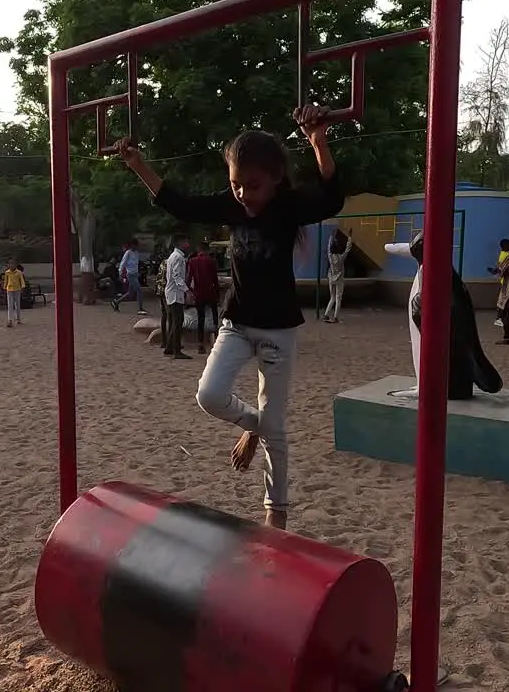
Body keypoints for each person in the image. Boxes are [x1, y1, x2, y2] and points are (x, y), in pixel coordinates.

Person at [113, 104, 341, 530]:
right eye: (236, 185)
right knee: (209, 396)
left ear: (274, 179)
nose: (242, 194)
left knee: (277, 431)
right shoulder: (231, 207)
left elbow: (331, 197)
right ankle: (254, 426)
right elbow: (179, 203)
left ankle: (276, 513)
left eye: (252, 185)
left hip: (279, 331)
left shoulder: (289, 207)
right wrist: (137, 163)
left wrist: (318, 140)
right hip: (236, 323)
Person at [187, 241, 220, 353]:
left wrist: (189, 292)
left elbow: (189, 278)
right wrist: (218, 293)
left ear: (198, 249)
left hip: (198, 293)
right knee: (215, 316)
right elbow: (215, 279)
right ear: (207, 250)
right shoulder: (212, 261)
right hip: (211, 293)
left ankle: (200, 344)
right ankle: (216, 339)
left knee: (201, 318)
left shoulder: (192, 261)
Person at [163, 235, 191, 359]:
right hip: (175, 293)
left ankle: (170, 347)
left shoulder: (174, 256)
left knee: (174, 321)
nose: (188, 244)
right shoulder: (178, 257)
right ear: (180, 242)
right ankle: (176, 350)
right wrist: (187, 290)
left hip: (172, 292)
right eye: (186, 241)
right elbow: (177, 276)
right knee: (178, 322)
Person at [323, 228, 353, 323]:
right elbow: (348, 249)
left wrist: (331, 236)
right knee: (338, 298)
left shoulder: (330, 257)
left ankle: (326, 314)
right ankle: (336, 317)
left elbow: (328, 248)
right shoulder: (341, 257)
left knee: (332, 297)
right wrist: (349, 237)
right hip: (339, 278)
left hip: (331, 278)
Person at [110, 238, 146, 315]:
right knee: (139, 290)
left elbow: (136, 264)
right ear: (132, 245)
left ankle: (116, 302)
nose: (136, 247)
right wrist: (120, 272)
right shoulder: (128, 253)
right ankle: (140, 308)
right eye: (135, 245)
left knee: (130, 292)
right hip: (130, 274)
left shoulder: (136, 253)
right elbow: (123, 263)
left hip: (135, 274)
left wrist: (138, 272)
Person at [1, 258, 26, 327]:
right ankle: (10, 320)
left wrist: (22, 287)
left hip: (17, 289)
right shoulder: (7, 272)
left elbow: (22, 281)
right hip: (9, 289)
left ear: (16, 265)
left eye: (13, 264)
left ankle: (18, 319)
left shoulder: (19, 272)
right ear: (8, 265)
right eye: (10, 264)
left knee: (17, 305)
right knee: (10, 305)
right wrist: (4, 288)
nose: (12, 265)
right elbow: (6, 281)